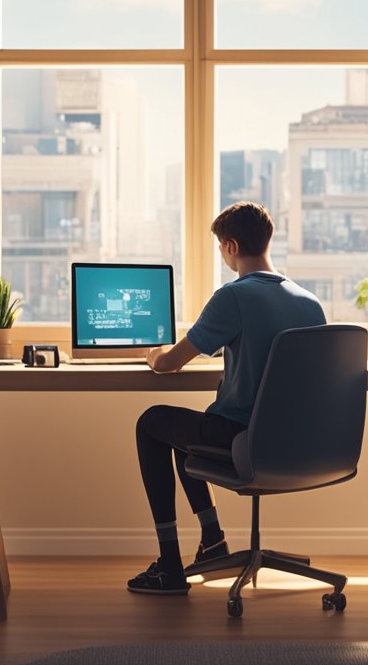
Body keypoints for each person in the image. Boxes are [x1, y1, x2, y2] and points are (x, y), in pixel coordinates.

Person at [127, 201, 327, 595]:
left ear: (231, 245)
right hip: (302, 446)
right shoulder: (310, 303)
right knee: (190, 427)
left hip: (244, 439)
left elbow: (168, 363)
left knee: (152, 423)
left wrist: (151, 352)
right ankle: (212, 541)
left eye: (220, 247)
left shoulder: (233, 297)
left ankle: (169, 565)